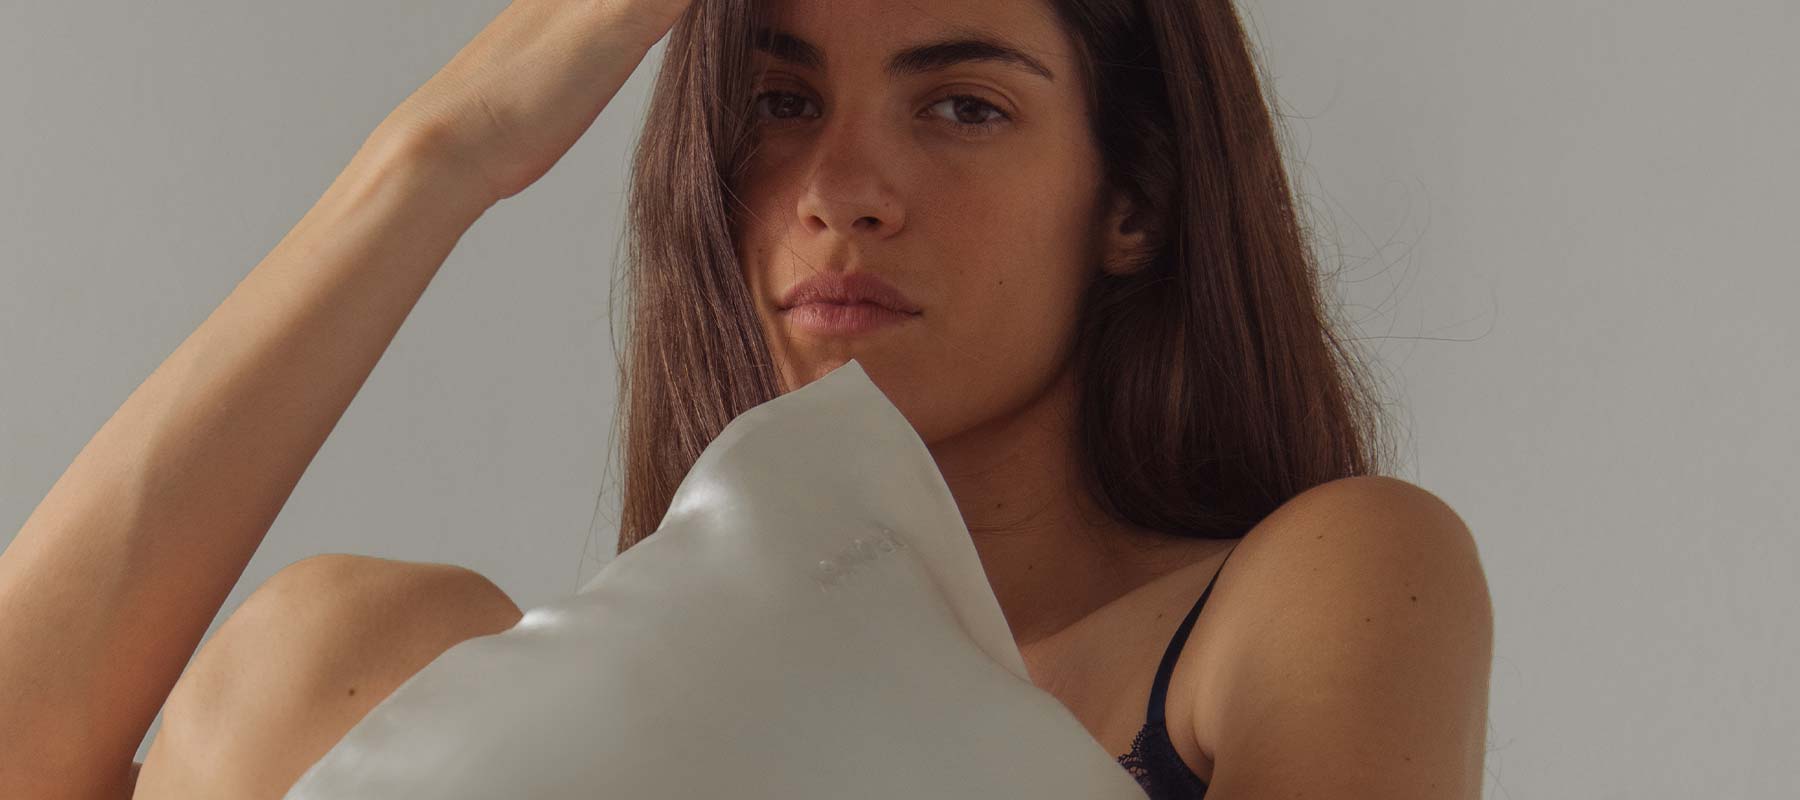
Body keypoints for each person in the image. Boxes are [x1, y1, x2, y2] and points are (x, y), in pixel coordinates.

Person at [0, 0, 1495, 798]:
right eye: (780, 105)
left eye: (962, 107)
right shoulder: (549, 706)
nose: (841, 191)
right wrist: (440, 155)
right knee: (337, 640)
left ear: (1135, 203)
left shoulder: (1314, 583)